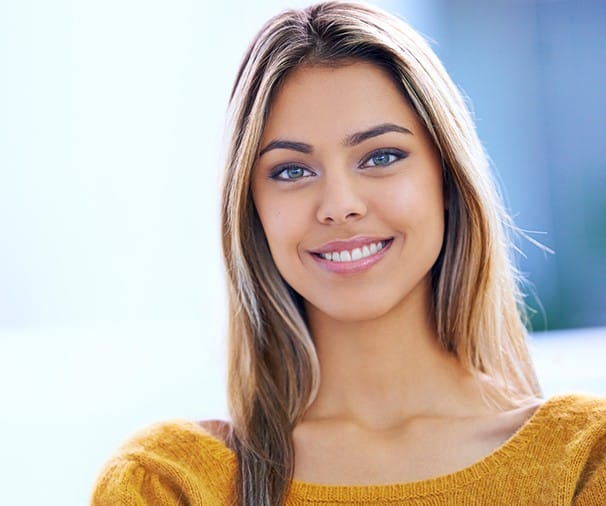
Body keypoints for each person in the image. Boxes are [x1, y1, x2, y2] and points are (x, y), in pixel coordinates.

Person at [91, 1, 606, 504]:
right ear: (253, 211)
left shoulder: (586, 458)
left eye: (381, 157)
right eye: (291, 170)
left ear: (447, 180)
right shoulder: (166, 485)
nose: (339, 206)